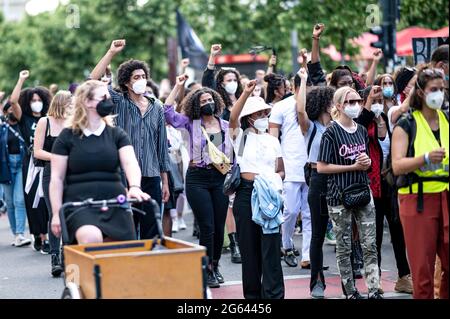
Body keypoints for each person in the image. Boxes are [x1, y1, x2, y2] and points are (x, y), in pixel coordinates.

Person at [50, 80, 150, 245]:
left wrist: (134, 187)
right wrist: (56, 213)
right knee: (91, 237)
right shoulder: (67, 137)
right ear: (87, 102)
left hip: (114, 202)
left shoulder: (117, 134)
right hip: (80, 205)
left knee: (124, 249)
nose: (108, 101)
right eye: (103, 97)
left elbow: (130, 163)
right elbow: (56, 178)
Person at [90, 39, 170, 240]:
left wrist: (165, 181)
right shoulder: (118, 101)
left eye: (143, 76)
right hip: (124, 176)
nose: (141, 80)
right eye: (136, 77)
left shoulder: (157, 106)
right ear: (127, 82)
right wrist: (111, 53)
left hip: (152, 175)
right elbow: (93, 80)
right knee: (127, 226)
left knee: (152, 228)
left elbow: (162, 147)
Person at [164, 75, 232, 288]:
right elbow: (167, 112)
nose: (207, 103)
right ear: (196, 105)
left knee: (219, 226)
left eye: (209, 100)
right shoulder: (189, 124)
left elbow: (231, 155)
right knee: (207, 226)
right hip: (197, 179)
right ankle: (207, 270)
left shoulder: (224, 125)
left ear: (216, 101)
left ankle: (216, 264)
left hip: (220, 178)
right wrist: (177, 85)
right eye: (202, 102)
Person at [317, 86, 382, 299]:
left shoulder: (361, 130)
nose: (354, 105)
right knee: (344, 246)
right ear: (338, 105)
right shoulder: (331, 132)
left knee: (370, 244)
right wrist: (352, 166)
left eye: (357, 101)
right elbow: (322, 167)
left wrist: (366, 162)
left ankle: (374, 289)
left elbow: (366, 161)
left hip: (363, 192)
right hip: (338, 196)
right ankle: (350, 291)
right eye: (349, 101)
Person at [392, 67, 448, 299]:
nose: (439, 94)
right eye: (434, 89)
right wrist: (424, 159)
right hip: (418, 200)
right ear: (422, 93)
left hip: (446, 196)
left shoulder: (446, 119)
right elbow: (397, 166)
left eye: (442, 89)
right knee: (422, 272)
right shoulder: (407, 123)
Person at [229, 80, 285, 299]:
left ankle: (274, 296)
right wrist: (246, 93)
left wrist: (271, 179)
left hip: (270, 195)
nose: (263, 117)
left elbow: (282, 170)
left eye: (265, 113)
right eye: (259, 113)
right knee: (250, 252)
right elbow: (233, 119)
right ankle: (252, 298)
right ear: (249, 118)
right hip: (246, 194)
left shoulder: (272, 141)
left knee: (271, 250)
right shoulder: (241, 139)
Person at [357, 85, 413, 293]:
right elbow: (361, 119)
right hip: (371, 185)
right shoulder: (363, 123)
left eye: (381, 98)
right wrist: (370, 100)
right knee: (375, 234)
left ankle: (404, 277)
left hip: (391, 184)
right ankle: (375, 279)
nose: (379, 101)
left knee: (398, 231)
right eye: (375, 98)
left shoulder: (390, 120)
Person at [295, 68, 335, 298]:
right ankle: (317, 282)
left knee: (346, 232)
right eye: (333, 101)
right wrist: (302, 80)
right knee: (318, 234)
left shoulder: (338, 126)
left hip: (339, 178)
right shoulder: (310, 127)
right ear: (323, 104)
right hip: (318, 180)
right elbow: (300, 109)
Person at [269, 69, 311, 269]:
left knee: (310, 214)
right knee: (291, 211)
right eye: (304, 85)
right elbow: (272, 138)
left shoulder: (316, 106)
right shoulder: (280, 107)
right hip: (291, 166)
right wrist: (276, 165)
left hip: (312, 165)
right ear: (295, 86)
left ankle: (307, 255)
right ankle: (286, 244)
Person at [9, 70, 52, 253]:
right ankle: (39, 236)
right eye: (33, 100)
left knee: (49, 199)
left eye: (39, 100)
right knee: (34, 201)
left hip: (48, 161)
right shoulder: (24, 118)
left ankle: (50, 236)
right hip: (31, 163)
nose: (37, 103)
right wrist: (21, 79)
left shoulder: (50, 118)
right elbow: (13, 102)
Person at [33, 91, 72, 277]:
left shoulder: (72, 123)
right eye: (70, 104)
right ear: (61, 103)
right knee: (54, 213)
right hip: (52, 172)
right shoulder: (45, 122)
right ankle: (55, 256)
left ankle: (67, 254)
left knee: (71, 212)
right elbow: (37, 151)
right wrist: (58, 157)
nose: (73, 107)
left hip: (71, 172)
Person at [0, 102, 31, 247]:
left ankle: (20, 234)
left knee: (19, 200)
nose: (12, 111)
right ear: (5, 112)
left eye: (14, 108)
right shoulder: (2, 129)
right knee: (10, 202)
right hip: (5, 167)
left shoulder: (22, 125)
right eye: (9, 109)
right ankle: (15, 233)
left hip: (20, 165)